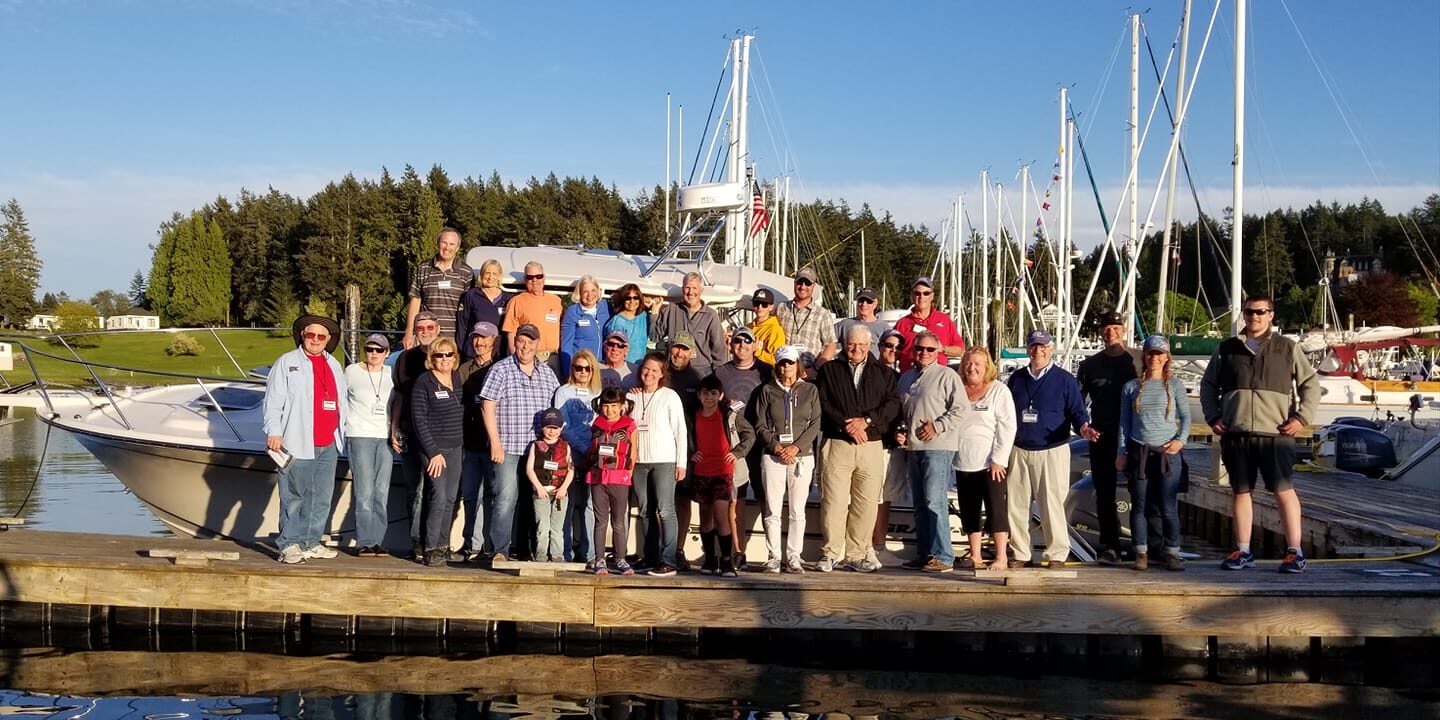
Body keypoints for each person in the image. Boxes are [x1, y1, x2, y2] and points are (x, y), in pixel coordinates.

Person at [1200, 293, 1319, 574]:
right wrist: (1213, 416)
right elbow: (1208, 385)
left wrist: (1302, 418)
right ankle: (1242, 550)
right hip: (1236, 433)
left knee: (1283, 491)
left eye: (1260, 312)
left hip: (1275, 435)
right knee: (1241, 492)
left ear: (1271, 315)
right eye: (1249, 312)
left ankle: (1295, 552)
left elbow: (1310, 385)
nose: (1254, 317)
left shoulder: (1287, 348)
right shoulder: (1227, 348)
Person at [1005, 329, 1099, 570]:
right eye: (1034, 346)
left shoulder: (1065, 379)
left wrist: (1084, 429)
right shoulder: (1016, 379)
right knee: (1016, 505)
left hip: (1052, 449)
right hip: (1019, 448)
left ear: (1051, 348)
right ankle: (1020, 552)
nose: (1038, 350)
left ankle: (1057, 553)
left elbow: (1077, 412)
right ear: (1028, 349)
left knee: (1051, 504)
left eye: (1043, 346)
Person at [813, 324, 900, 573]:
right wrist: (846, 425)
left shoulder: (883, 373)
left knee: (866, 503)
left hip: (871, 444)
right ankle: (830, 552)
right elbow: (823, 402)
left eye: (862, 345)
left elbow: (893, 405)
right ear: (844, 344)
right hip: (837, 442)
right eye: (852, 344)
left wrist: (867, 421)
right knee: (834, 502)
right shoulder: (829, 370)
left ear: (870, 345)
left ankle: (857, 554)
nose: (857, 349)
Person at [264, 314, 348, 564]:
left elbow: (341, 400)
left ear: (328, 340)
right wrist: (274, 431)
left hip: (328, 441)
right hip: (297, 440)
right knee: (294, 495)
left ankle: (310, 542)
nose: (316, 340)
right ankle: (289, 544)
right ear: (302, 335)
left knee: (321, 497)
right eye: (311, 334)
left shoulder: (334, 364)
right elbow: (273, 400)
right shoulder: (287, 362)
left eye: (321, 336)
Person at [480, 323, 561, 564]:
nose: (525, 346)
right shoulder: (500, 369)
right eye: (521, 340)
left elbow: (555, 411)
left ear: (538, 344)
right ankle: (500, 550)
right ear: (515, 342)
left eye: (531, 341)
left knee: (533, 500)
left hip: (539, 450)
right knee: (505, 498)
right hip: (508, 446)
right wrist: (494, 442)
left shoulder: (548, 373)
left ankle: (527, 549)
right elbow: (487, 406)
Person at [1118, 335, 1191, 572]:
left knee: (1168, 506)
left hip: (1167, 453)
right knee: (1139, 506)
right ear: (1144, 356)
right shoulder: (1130, 387)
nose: (1154, 357)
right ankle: (1141, 551)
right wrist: (1122, 451)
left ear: (1166, 357)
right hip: (1140, 451)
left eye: (1159, 353)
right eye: (1150, 353)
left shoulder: (1176, 386)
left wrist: (1181, 441)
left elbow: (1186, 417)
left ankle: (1172, 552)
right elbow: (1124, 423)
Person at [896, 330, 966, 573]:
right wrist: (900, 431)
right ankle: (925, 553)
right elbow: (902, 412)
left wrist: (937, 426)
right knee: (919, 503)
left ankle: (943, 556)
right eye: (919, 349)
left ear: (938, 352)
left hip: (938, 447)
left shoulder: (947, 376)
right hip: (913, 447)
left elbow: (961, 409)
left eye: (929, 349)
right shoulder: (906, 378)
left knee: (934, 501)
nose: (924, 353)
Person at [751, 345, 822, 573]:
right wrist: (776, 446)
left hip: (802, 457)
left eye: (790, 362)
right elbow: (760, 424)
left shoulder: (810, 390)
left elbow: (815, 423)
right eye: (782, 363)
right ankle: (774, 556)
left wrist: (796, 447)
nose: (786, 367)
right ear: (777, 365)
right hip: (773, 456)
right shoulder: (766, 390)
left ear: (797, 364)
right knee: (772, 510)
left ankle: (793, 557)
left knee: (797, 511)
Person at [1075, 310, 1137, 565]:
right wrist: (1083, 426)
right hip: (1103, 435)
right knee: (1105, 492)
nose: (1111, 331)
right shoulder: (1090, 365)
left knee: (1141, 491)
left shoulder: (1138, 360)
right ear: (1101, 332)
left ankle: (1144, 545)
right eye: (1106, 327)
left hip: (1135, 436)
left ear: (1123, 329)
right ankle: (1110, 545)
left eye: (1115, 326)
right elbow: (1078, 401)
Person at [711, 325, 771, 567]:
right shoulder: (721, 372)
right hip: (734, 445)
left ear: (754, 344)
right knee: (737, 500)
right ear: (730, 344)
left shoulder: (767, 370)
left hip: (762, 443)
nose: (742, 345)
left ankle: (774, 554)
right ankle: (738, 552)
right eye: (737, 341)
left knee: (768, 500)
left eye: (747, 341)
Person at [953, 347, 1016, 571]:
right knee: (969, 510)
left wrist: (999, 458)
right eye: (969, 363)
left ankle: (1001, 556)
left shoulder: (999, 391)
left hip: (991, 463)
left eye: (978, 363)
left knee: (996, 509)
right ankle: (976, 555)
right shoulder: (958, 389)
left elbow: (1007, 427)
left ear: (987, 366)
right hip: (963, 460)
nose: (973, 368)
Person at [628, 351, 689, 576]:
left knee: (665, 510)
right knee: (645, 510)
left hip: (664, 460)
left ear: (662, 374)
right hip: (640, 462)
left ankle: (669, 559)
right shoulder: (632, 397)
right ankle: (650, 556)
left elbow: (680, 432)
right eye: (646, 369)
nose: (649, 373)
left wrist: (681, 463)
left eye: (655, 370)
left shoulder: (670, 396)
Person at [687, 374, 755, 577]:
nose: (709, 397)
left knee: (721, 515)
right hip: (701, 472)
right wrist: (691, 453)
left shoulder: (729, 415)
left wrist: (737, 453)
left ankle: (727, 561)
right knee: (706, 518)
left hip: (723, 472)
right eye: (705, 393)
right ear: (699, 395)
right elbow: (683, 437)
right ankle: (710, 559)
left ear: (721, 395)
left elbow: (749, 434)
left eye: (714, 393)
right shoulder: (692, 415)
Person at [391, 311, 442, 559]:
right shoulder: (405, 359)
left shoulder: (446, 355)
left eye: (429, 327)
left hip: (439, 437)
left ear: (438, 328)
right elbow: (399, 395)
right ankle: (417, 541)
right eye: (420, 328)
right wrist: (394, 428)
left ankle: (434, 541)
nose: (425, 331)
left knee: (437, 490)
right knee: (416, 490)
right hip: (411, 432)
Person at [411, 337, 465, 567]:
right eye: (439, 355)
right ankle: (431, 547)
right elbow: (419, 419)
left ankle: (443, 546)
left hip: (456, 447)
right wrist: (432, 451)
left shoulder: (456, 377)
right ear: (431, 358)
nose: (444, 359)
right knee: (439, 496)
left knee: (451, 498)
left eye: (448, 354)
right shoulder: (424, 381)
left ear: (455, 357)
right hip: (434, 449)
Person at [343, 333, 394, 557]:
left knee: (381, 492)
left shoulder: (391, 373)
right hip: (359, 435)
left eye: (379, 350)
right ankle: (365, 540)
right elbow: (340, 399)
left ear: (387, 353)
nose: (374, 354)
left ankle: (378, 541)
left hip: (384, 436)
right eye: (370, 349)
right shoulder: (352, 371)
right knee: (364, 491)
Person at [457, 321, 499, 562]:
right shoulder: (463, 370)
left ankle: (489, 545)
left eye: (483, 338)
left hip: (492, 442)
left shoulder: (501, 367)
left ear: (493, 340)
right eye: (475, 338)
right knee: (470, 495)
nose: (478, 342)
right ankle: (469, 543)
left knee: (492, 496)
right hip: (469, 442)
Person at [553, 349, 601, 564]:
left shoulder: (599, 392)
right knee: (568, 504)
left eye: (587, 368)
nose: (582, 372)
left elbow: (601, 425)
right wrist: (584, 447)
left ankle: (590, 554)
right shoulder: (563, 391)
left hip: (594, 457)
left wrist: (594, 450)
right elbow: (562, 425)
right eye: (578, 367)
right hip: (571, 455)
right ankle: (564, 552)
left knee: (590, 506)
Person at [589, 386, 638, 576]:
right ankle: (599, 558)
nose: (609, 410)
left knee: (618, 522)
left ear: (621, 406)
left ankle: (620, 559)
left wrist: (629, 473)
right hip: (598, 478)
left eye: (614, 406)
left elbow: (634, 451)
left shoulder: (629, 424)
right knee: (600, 521)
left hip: (619, 478)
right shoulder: (597, 424)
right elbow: (592, 449)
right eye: (606, 406)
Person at [664, 331, 704, 567]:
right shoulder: (661, 372)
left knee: (682, 499)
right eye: (676, 348)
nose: (679, 353)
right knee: (661, 500)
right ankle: (660, 547)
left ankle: (678, 549)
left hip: (687, 447)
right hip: (660, 445)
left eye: (684, 349)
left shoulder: (697, 378)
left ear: (692, 352)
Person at [872, 329, 909, 559]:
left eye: (897, 347)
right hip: (871, 444)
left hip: (892, 446)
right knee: (867, 497)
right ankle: (863, 545)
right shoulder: (868, 373)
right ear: (880, 346)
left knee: (885, 498)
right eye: (888, 345)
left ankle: (879, 545)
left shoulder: (900, 378)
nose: (892, 350)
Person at [403, 227, 473, 350]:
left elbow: (469, 308)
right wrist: (409, 332)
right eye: (444, 242)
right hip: (426, 336)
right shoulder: (423, 268)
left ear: (457, 248)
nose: (447, 247)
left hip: (453, 337)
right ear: (438, 243)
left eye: (452, 244)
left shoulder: (466, 272)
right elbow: (415, 300)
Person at [651, 271, 728, 376]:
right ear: (682, 289)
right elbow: (654, 336)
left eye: (694, 288)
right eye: (687, 288)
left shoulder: (711, 315)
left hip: (701, 372)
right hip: (674, 370)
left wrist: (718, 378)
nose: (690, 292)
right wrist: (654, 312)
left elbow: (719, 351)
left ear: (701, 290)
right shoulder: (671, 310)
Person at [525, 408, 574, 563]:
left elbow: (571, 469)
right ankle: (540, 555)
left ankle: (558, 555)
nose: (552, 432)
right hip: (541, 494)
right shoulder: (536, 445)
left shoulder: (566, 446)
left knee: (557, 529)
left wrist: (564, 488)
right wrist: (538, 487)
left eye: (555, 428)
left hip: (560, 494)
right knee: (542, 527)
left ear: (561, 428)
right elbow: (529, 469)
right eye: (548, 427)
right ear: (542, 427)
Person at [503, 261, 565, 376]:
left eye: (538, 276)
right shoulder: (516, 301)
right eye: (530, 277)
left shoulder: (556, 301)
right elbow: (511, 333)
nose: (534, 280)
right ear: (525, 279)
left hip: (554, 358)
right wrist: (516, 359)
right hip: (529, 356)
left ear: (544, 277)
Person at [893, 277, 964, 372]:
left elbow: (960, 350)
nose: (921, 297)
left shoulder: (944, 320)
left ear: (932, 296)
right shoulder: (902, 323)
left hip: (937, 378)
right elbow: (892, 353)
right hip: (909, 378)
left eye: (926, 293)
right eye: (917, 293)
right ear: (912, 296)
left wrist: (942, 349)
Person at [776, 267, 838, 374]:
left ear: (813, 286)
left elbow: (831, 345)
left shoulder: (823, 314)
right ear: (794, 283)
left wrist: (815, 369)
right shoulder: (781, 308)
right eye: (800, 282)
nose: (803, 286)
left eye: (807, 283)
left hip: (809, 374)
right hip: (783, 371)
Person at [457, 258, 512, 360]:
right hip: (474, 352)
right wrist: (461, 350)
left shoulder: (508, 298)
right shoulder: (471, 295)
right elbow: (462, 325)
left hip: (498, 354)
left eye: (494, 274)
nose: (490, 277)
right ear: (481, 275)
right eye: (487, 273)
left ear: (499, 276)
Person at [561, 275, 611, 372]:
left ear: (598, 291)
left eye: (593, 290)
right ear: (579, 293)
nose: (590, 295)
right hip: (582, 368)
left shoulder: (605, 306)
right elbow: (566, 346)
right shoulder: (572, 312)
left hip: (602, 366)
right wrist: (568, 373)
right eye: (585, 292)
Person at [834, 287, 888, 358]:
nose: (864, 304)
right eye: (861, 300)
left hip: (872, 368)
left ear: (875, 304)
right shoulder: (843, 325)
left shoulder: (884, 328)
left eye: (869, 301)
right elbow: (827, 342)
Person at [605, 282, 650, 364]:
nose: (632, 301)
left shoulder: (643, 316)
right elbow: (613, 350)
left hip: (640, 365)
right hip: (623, 366)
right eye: (628, 298)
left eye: (635, 297)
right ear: (623, 299)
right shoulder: (617, 321)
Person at [748, 288, 787, 367]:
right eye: (756, 303)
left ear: (771, 307)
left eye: (764, 304)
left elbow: (777, 360)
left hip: (763, 374)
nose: (760, 307)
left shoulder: (775, 330)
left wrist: (757, 351)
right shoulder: (748, 327)